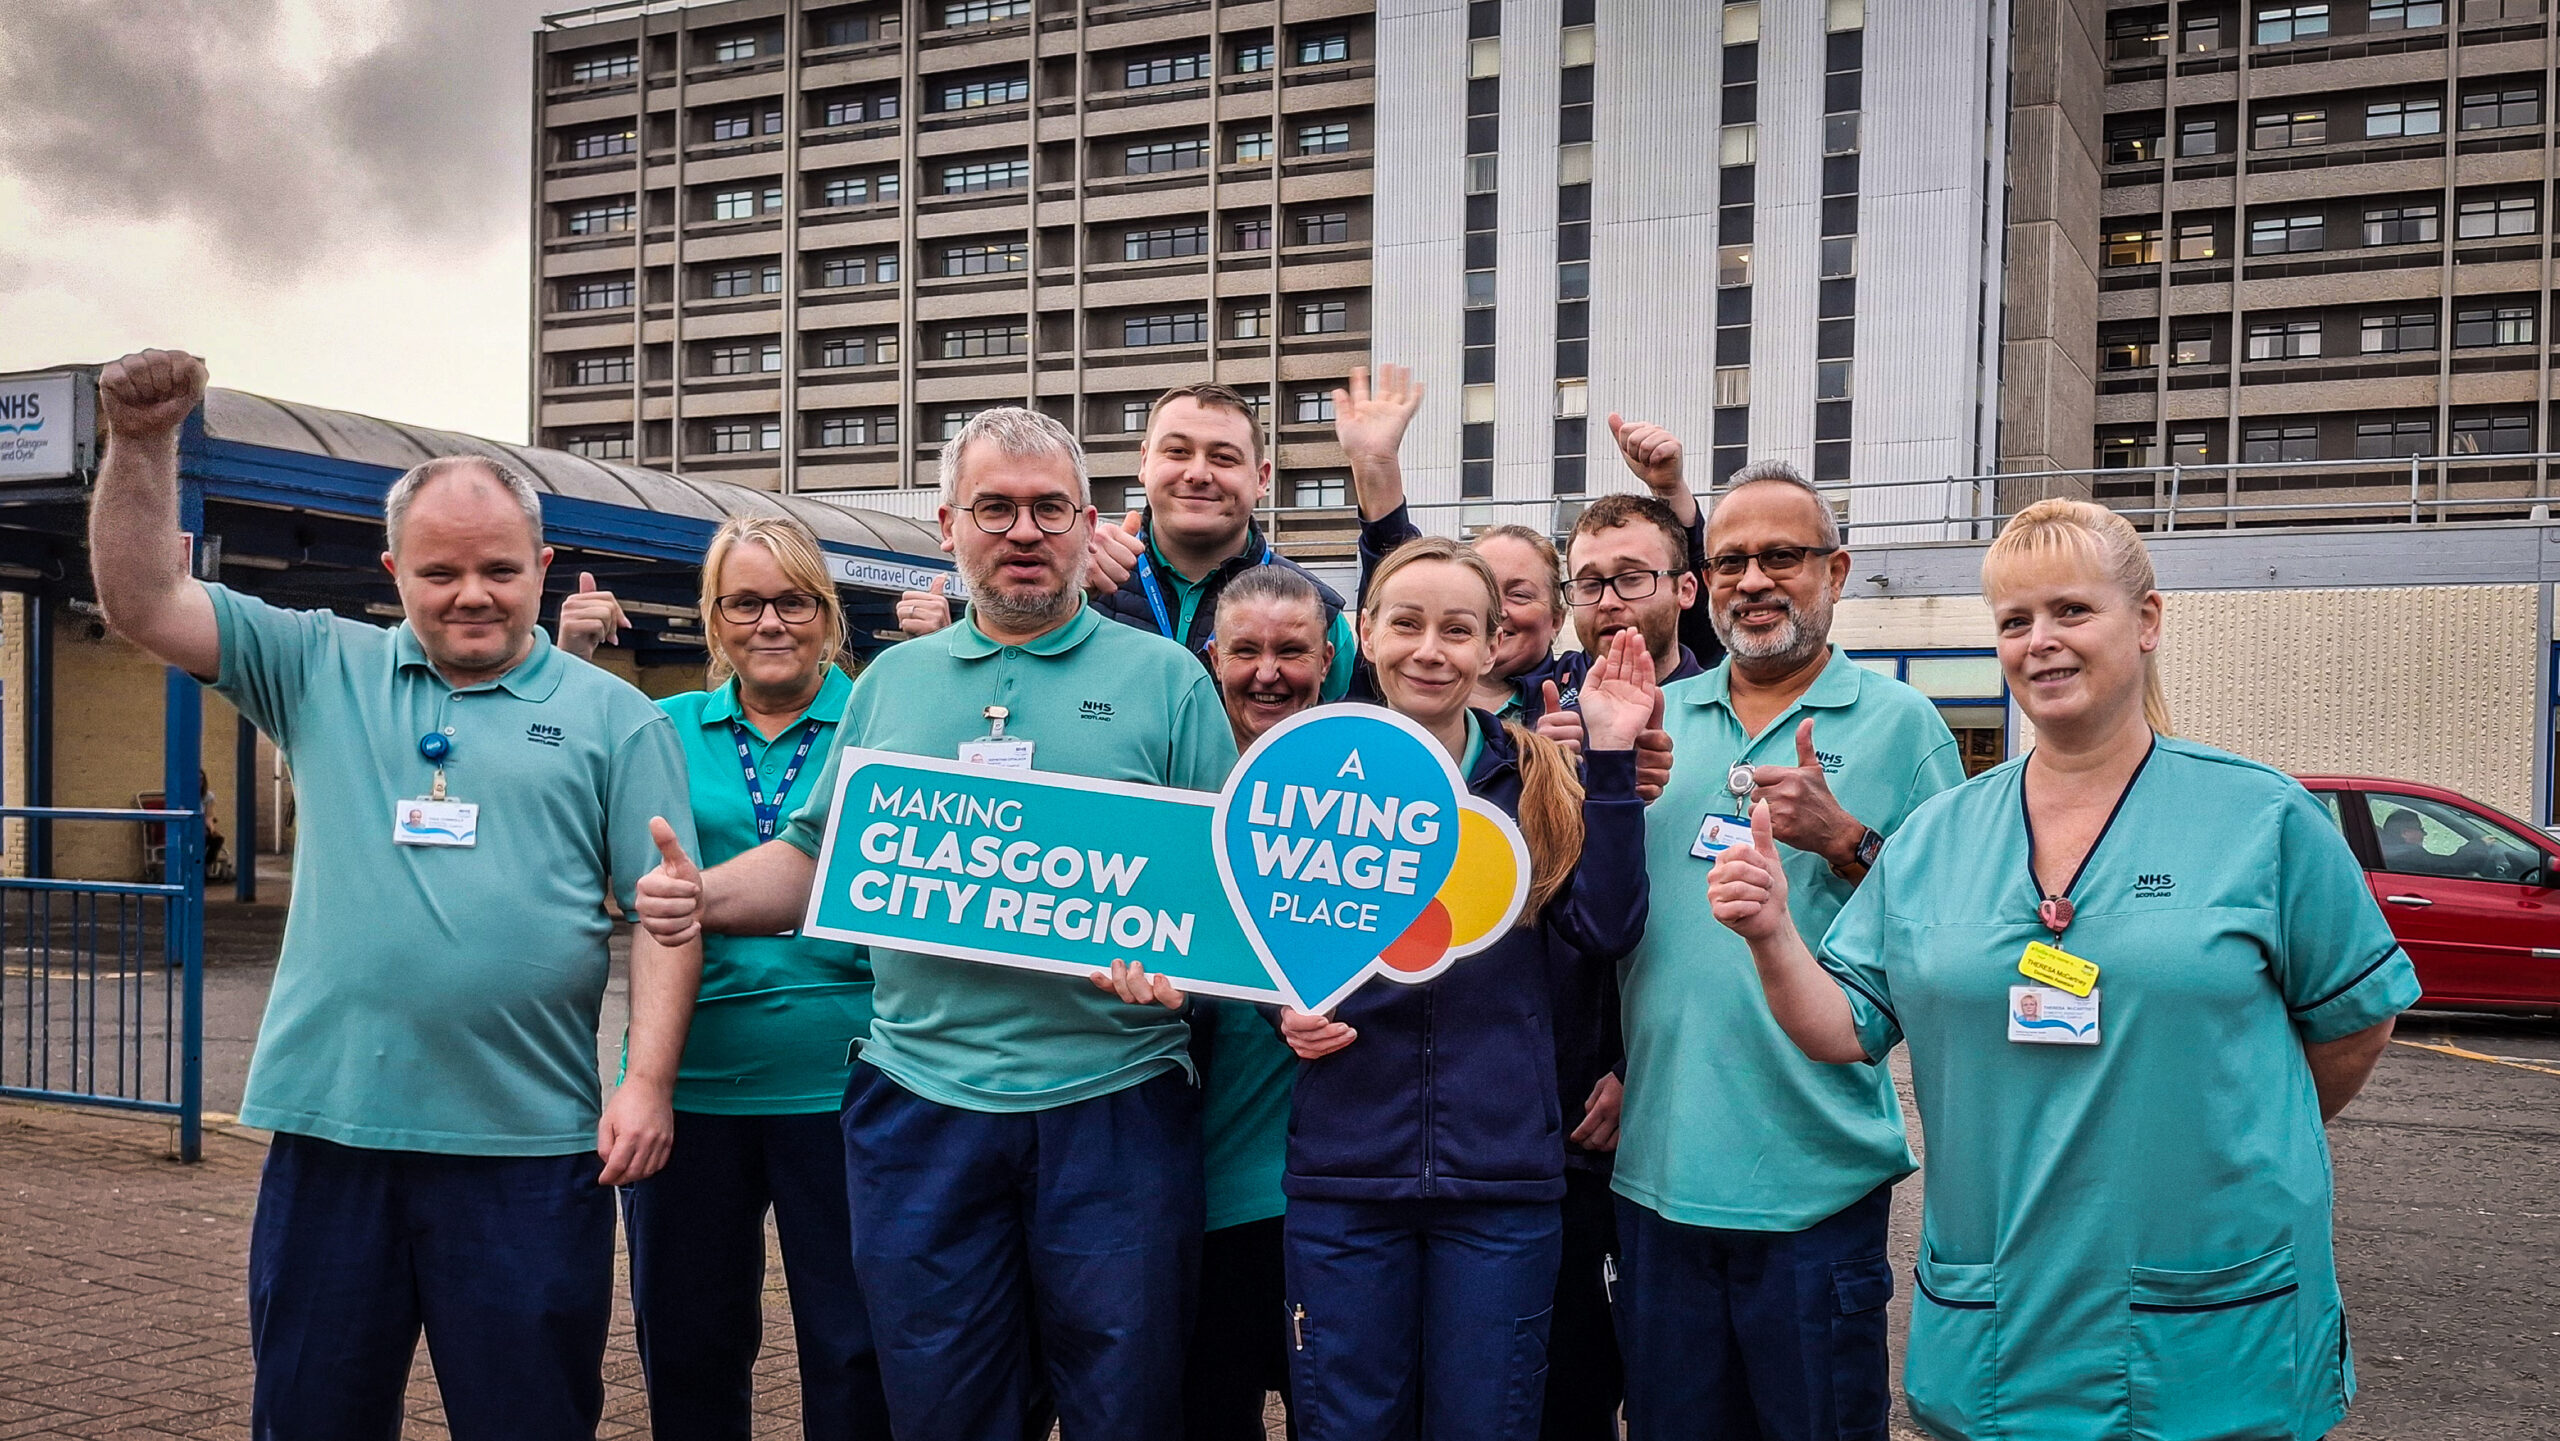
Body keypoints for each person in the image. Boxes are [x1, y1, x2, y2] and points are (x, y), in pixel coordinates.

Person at [84, 349, 702, 1440]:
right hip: (333, 1143)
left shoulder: (617, 720)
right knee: (313, 1414)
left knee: (530, 1418)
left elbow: (664, 918)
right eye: (440, 572)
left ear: (544, 564)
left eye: (501, 570)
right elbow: (143, 599)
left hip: (528, 1150)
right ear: (393, 569)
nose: (472, 594)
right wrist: (141, 444)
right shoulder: (320, 665)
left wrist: (645, 1082)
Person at [1709, 498, 2416, 1441]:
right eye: (2014, 620)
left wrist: (2224, 1125)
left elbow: (2356, 1024)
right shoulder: (1937, 838)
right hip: (2006, 1315)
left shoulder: (2262, 819)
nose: (2041, 641)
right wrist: (1770, 932)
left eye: (2071, 611)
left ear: (2148, 622)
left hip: (2215, 1310)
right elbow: (1844, 1026)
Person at [632, 408, 1237, 1441]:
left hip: (1112, 1109)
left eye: (1049, 508)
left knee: (1125, 1407)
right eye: (995, 508)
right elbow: (818, 857)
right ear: (950, 524)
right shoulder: (892, 688)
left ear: (1086, 522)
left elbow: (1222, 898)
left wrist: (1185, 973)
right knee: (939, 1409)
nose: (1023, 531)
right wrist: (703, 897)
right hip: (921, 1107)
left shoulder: (1168, 680)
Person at [1105, 537, 1655, 1441]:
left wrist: (1609, 759)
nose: (1430, 649)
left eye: (1458, 629)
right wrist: (1278, 1005)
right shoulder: (1304, 769)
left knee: (1487, 1423)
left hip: (1504, 1184)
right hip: (1344, 1183)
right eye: (1406, 623)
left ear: (1489, 648)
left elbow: (1608, 929)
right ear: (1365, 633)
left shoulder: (1540, 779)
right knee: (1350, 1425)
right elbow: (1254, 938)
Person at [1609, 458, 1964, 1441]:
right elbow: (1597, 926)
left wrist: (1849, 840)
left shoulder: (1903, 727)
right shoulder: (1652, 724)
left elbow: (1955, 935)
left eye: (1781, 557)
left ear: (1836, 571)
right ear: (1703, 580)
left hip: (1813, 1189)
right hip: (1656, 1185)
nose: (1753, 580)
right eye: (1730, 561)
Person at [556, 519, 890, 1439]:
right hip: (690, 1087)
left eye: (792, 600)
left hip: (849, 1084)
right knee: (690, 1341)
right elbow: (561, 798)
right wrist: (569, 650)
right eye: (745, 602)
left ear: (828, 616)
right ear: (713, 619)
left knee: (854, 1343)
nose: (770, 622)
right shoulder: (662, 727)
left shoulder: (881, 719)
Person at [896, 384, 1358, 702]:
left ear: (1260, 479)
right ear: (1144, 462)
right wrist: (1068, 602)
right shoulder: (1076, 579)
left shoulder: (1320, 612)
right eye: (1177, 452)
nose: (1197, 473)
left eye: (1223, 457)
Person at [1338, 364, 1725, 717]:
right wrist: (1376, 470)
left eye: (1520, 595)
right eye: (1484, 596)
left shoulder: (1582, 692)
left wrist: (1672, 494)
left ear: (1557, 619)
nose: (1499, 611)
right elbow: (1404, 585)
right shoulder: (1419, 686)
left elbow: (1675, 630)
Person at [1183, 564, 1338, 1440]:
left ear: (1328, 658)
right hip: (1203, 1192)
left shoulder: (1372, 794)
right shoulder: (1177, 787)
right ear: (1214, 656)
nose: (1268, 672)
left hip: (1333, 1192)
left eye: (1291, 650)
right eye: (1246, 650)